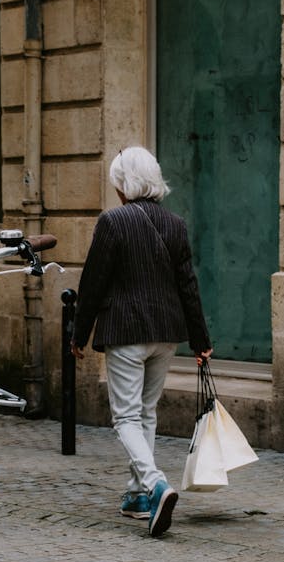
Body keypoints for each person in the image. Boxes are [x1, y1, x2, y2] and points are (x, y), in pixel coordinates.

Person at [71, 146, 212, 537]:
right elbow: (188, 284)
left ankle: (155, 484)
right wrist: (201, 340)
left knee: (126, 416)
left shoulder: (112, 222)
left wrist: (78, 334)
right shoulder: (175, 224)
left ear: (123, 185)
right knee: (146, 412)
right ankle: (137, 495)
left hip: (127, 331)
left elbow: (93, 283)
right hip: (166, 334)